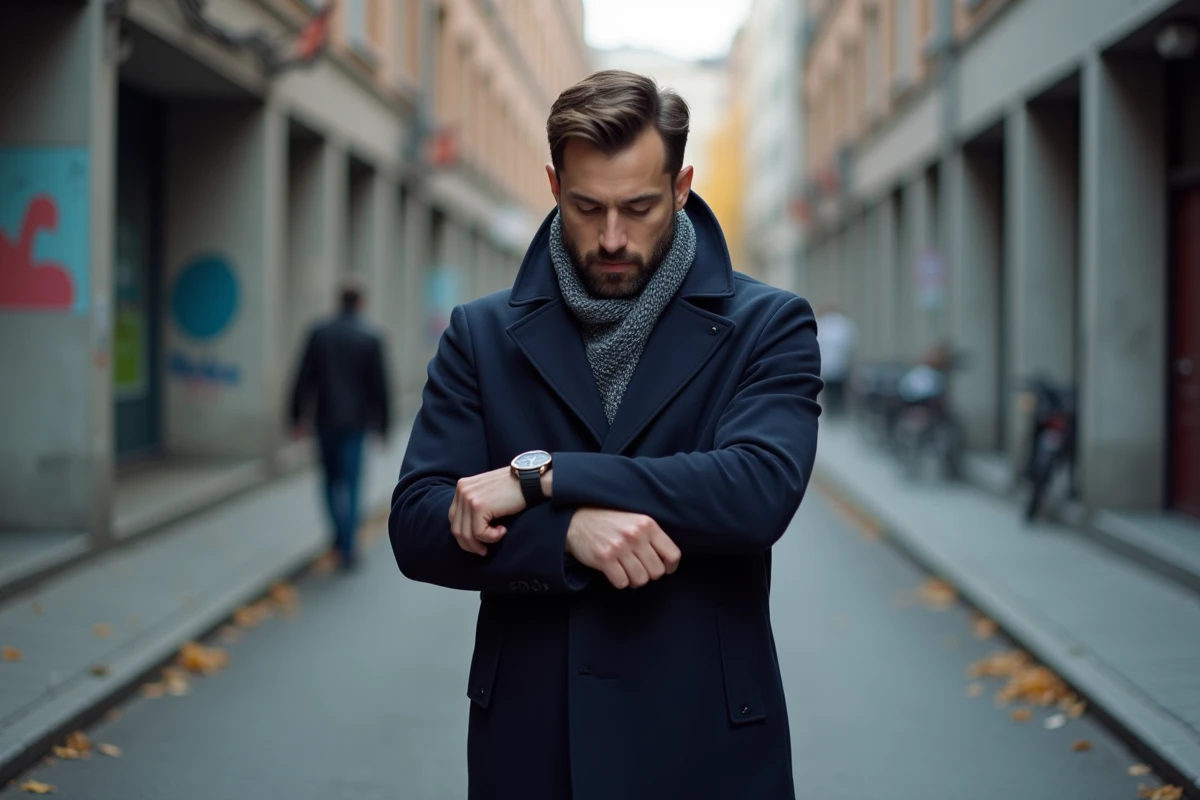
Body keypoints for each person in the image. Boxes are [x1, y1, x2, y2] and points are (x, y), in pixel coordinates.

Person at [390, 70, 822, 800]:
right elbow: (418, 524)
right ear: (554, 184)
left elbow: (756, 492)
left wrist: (546, 475)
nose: (613, 238)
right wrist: (564, 534)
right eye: (587, 208)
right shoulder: (482, 334)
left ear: (682, 187)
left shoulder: (768, 324)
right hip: (534, 747)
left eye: (640, 207)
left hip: (706, 745)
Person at [290, 279, 391, 570]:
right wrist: (383, 426)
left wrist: (297, 416)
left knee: (330, 481)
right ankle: (348, 545)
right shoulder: (370, 337)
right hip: (356, 423)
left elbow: (303, 377)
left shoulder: (320, 333)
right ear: (361, 303)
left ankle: (339, 537)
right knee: (352, 483)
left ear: (338, 301)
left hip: (325, 420)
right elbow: (380, 387)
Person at [815, 302, 857, 417]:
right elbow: (850, 347)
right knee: (837, 394)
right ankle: (837, 415)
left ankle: (833, 415)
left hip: (829, 366)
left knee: (830, 394)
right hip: (838, 366)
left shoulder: (822, 324)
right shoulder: (843, 324)